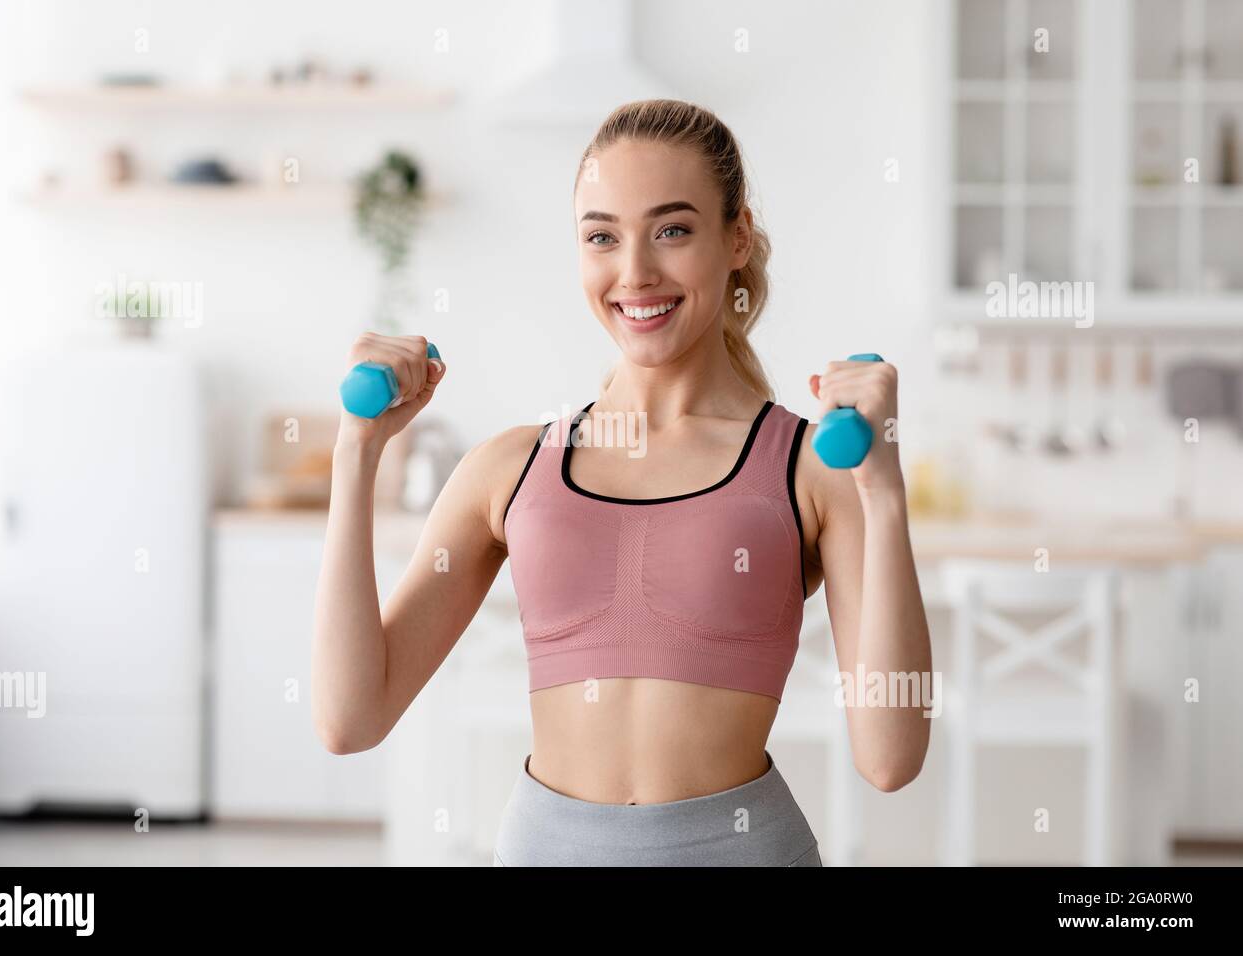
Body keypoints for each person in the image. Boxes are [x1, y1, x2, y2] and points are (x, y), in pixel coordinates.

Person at [312, 99, 932, 866]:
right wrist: (357, 452)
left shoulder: (809, 469)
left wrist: (884, 492)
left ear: (737, 237)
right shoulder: (511, 468)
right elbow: (350, 720)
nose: (635, 273)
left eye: (672, 230)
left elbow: (890, 758)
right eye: (602, 236)